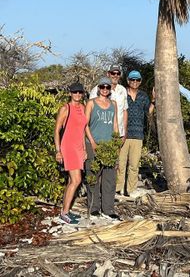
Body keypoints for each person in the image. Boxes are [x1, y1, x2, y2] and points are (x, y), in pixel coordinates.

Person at [85, 76, 120, 219]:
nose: (105, 89)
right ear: (98, 88)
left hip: (109, 146)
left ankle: (108, 209)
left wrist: (116, 144)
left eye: (107, 87)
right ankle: (93, 207)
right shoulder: (91, 103)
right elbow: (85, 125)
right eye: (102, 87)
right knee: (93, 176)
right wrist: (92, 142)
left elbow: (115, 124)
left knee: (110, 179)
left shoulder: (114, 104)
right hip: (93, 143)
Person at [116, 70, 155, 198]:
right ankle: (118, 189)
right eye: (132, 80)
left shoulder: (143, 96)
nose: (135, 82)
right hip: (123, 134)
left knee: (134, 165)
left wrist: (153, 101)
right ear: (128, 81)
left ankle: (131, 190)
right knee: (120, 164)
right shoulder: (121, 94)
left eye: (137, 80)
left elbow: (148, 113)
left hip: (138, 135)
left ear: (140, 81)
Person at [54, 82, 87, 225]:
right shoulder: (65, 108)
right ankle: (64, 213)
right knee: (76, 180)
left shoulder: (83, 107)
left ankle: (66, 210)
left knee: (71, 180)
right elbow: (56, 131)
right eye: (75, 92)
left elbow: (83, 130)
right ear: (70, 93)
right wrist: (58, 151)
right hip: (68, 147)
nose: (77, 95)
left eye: (80, 92)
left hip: (79, 147)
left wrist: (85, 149)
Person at [90, 64, 128, 145]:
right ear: (108, 74)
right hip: (100, 135)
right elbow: (90, 113)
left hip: (118, 134)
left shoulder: (123, 90)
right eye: (113, 73)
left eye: (118, 73)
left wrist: (124, 132)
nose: (115, 75)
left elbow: (124, 111)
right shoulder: (97, 89)